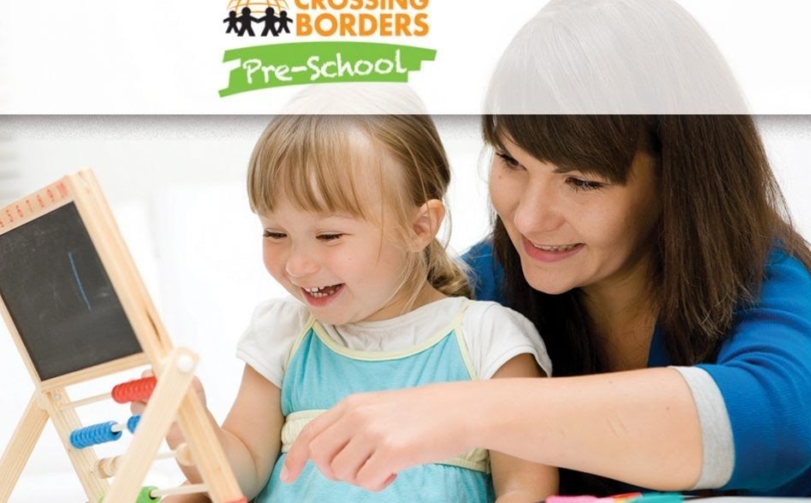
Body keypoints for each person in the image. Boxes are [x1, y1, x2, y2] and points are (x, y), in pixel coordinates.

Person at [280, 0, 811, 496]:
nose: (528, 219)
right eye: (509, 160)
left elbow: (777, 422)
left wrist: (468, 410)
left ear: (676, 179)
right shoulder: (482, 288)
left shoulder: (760, 273)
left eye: (581, 181)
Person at [139, 114, 558, 502]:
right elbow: (237, 474)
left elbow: (526, 486)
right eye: (275, 232)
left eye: (329, 236)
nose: (297, 264)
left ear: (418, 227)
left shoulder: (490, 338)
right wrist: (188, 425)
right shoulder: (284, 333)